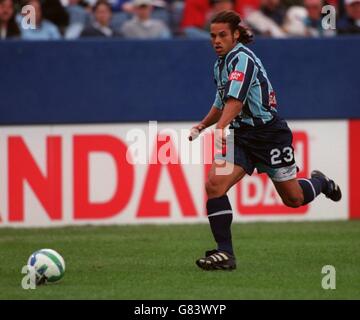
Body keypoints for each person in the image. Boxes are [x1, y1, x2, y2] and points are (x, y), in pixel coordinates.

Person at [189, 10, 342, 271]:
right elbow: (221, 102)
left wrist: (221, 126)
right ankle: (225, 253)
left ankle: (320, 181)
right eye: (212, 36)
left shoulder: (243, 60)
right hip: (242, 137)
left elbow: (236, 101)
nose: (216, 40)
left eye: (222, 35)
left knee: (293, 199)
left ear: (236, 34)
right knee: (214, 184)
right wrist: (204, 125)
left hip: (269, 135)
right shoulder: (220, 64)